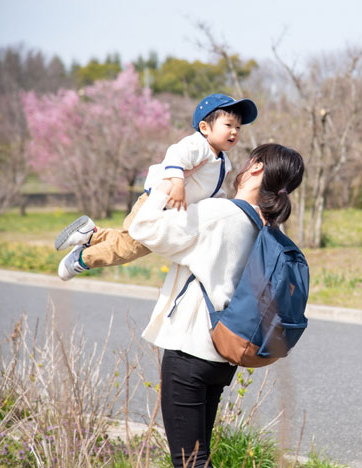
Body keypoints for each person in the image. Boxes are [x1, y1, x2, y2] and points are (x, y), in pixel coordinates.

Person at [128, 143, 304, 468]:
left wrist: (166, 183)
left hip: (190, 352)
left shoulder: (219, 215)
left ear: (256, 169)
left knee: (190, 462)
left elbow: (143, 228)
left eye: (250, 159)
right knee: (198, 457)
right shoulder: (262, 226)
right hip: (221, 355)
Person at [54, 93, 258, 281]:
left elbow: (212, 190)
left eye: (238, 128)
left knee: (128, 242)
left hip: (170, 212)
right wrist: (177, 182)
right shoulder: (198, 145)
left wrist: (221, 207)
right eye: (228, 125)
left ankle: (90, 235)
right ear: (205, 128)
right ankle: (82, 259)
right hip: (157, 203)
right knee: (129, 247)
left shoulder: (223, 161)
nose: (234, 132)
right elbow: (175, 155)